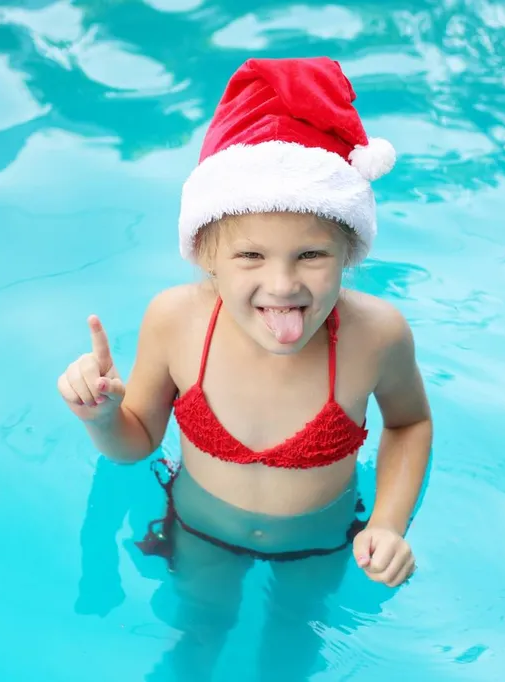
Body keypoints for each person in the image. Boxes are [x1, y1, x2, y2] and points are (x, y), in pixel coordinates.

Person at [57, 57, 433, 680]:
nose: (282, 284)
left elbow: (410, 424)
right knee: (197, 637)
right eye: (251, 254)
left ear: (350, 252)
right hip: (201, 532)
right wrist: (99, 417)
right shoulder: (176, 321)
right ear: (207, 254)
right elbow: (137, 444)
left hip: (320, 543)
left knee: (293, 648)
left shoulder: (375, 335)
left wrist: (389, 525)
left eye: (311, 254)